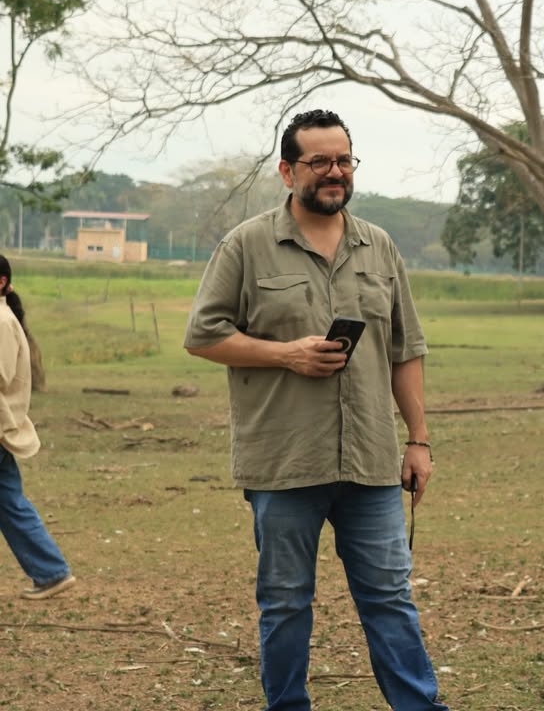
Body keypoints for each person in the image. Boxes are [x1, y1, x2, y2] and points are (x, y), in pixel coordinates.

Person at [184, 109, 449, 711]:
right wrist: (287, 354)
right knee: (284, 602)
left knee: (390, 598)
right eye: (320, 161)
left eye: (344, 160)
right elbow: (203, 335)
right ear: (287, 171)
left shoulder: (379, 247)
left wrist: (419, 439)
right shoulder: (247, 245)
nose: (335, 172)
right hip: (284, 461)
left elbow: (406, 350)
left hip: (371, 461)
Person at [0, 254, 77, 601]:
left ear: (2, 282)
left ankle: (51, 572)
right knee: (9, 502)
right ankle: (51, 572)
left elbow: (1, 375)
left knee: (11, 502)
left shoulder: (2, 321)